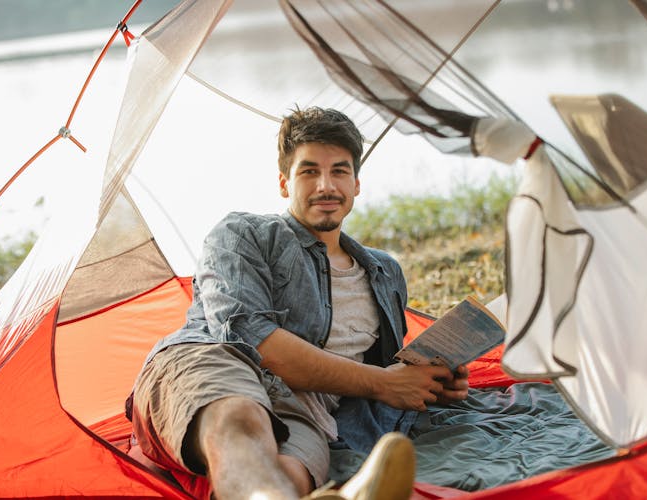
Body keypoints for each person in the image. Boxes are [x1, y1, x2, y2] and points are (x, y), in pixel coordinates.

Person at [128, 107, 470, 500]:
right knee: (240, 417)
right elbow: (252, 340)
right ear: (283, 183)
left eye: (339, 171)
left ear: (356, 184)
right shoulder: (243, 234)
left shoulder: (385, 271)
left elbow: (384, 369)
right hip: (216, 363)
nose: (326, 185)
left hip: (309, 408)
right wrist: (384, 384)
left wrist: (428, 382)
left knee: (292, 475)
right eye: (309, 171)